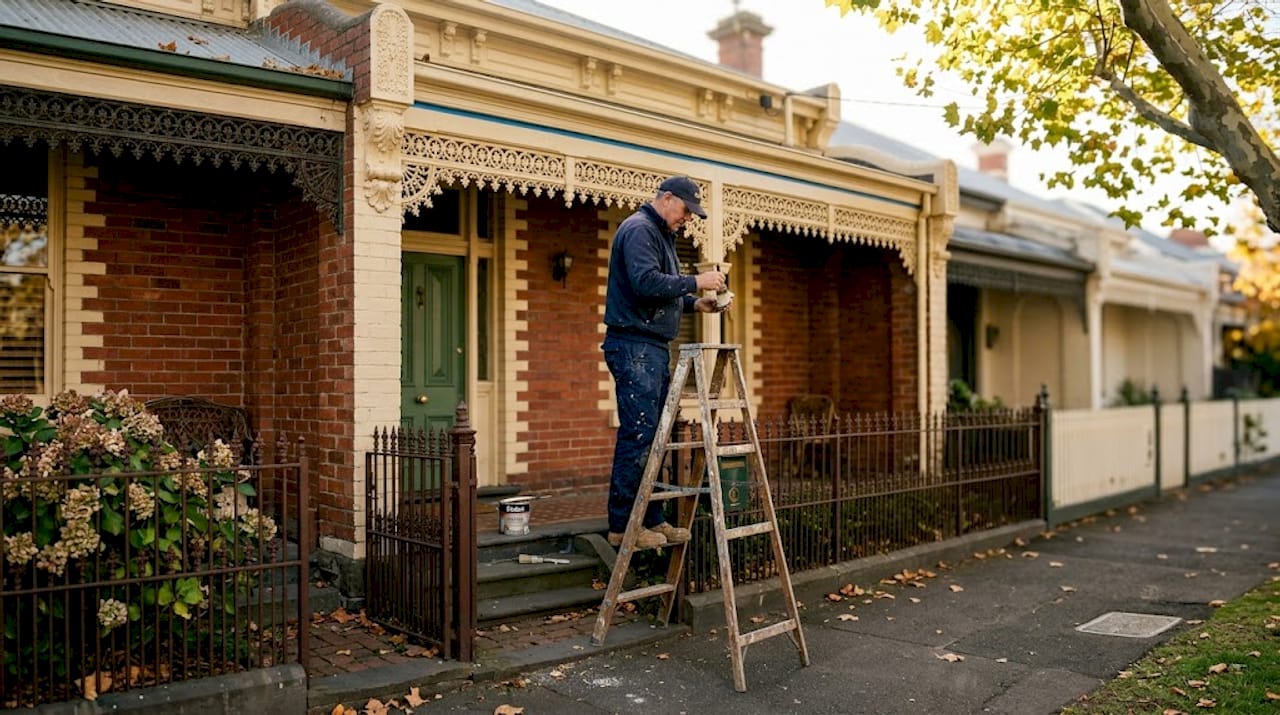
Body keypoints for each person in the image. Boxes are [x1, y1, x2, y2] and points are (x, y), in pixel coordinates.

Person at [602, 176, 730, 549]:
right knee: (639, 435)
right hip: (634, 346)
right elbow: (645, 284)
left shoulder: (661, 236)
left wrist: (696, 304)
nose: (688, 218)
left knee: (656, 438)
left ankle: (652, 519)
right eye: (687, 210)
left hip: (652, 347)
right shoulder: (640, 229)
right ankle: (623, 526)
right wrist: (696, 282)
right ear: (667, 198)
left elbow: (657, 293)